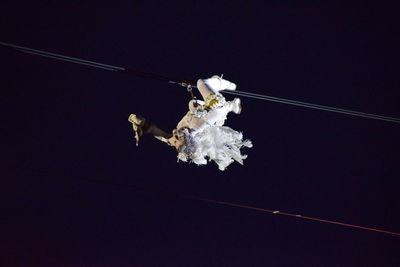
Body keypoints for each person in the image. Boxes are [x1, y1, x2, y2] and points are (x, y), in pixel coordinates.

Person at [128, 75, 252, 171]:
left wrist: (141, 124)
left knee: (193, 104)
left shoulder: (175, 139)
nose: (174, 134)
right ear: (188, 138)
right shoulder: (196, 125)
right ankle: (227, 93)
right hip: (215, 109)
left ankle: (227, 100)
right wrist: (217, 106)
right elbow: (218, 112)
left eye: (175, 141)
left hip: (202, 109)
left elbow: (157, 132)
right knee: (201, 83)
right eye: (179, 138)